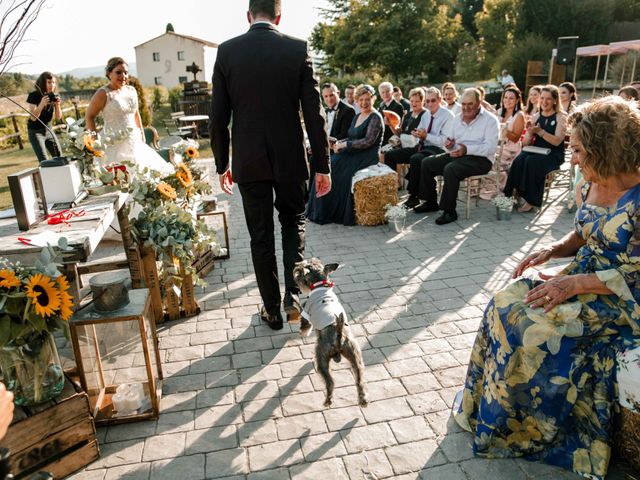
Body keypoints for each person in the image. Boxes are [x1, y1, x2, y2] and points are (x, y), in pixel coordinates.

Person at [455, 95, 640, 480]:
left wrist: (573, 283)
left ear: (607, 150)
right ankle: (493, 412)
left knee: (537, 329)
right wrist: (552, 251)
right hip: (582, 273)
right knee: (503, 302)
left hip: (622, 295)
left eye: (579, 151)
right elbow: (583, 231)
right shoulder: (592, 179)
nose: (573, 159)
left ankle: (535, 429)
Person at [210, 0, 331, 330]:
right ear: (279, 16)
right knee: (293, 224)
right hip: (290, 157)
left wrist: (222, 164)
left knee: (260, 237)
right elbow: (314, 114)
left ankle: (271, 310)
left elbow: (218, 118)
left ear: (249, 16)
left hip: (248, 160)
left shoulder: (227, 52)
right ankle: (293, 299)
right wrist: (323, 165)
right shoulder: (298, 49)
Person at [414, 88, 499, 224]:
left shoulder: (490, 120)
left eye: (470, 104)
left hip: (481, 160)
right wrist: (449, 145)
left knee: (451, 168)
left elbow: (490, 148)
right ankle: (430, 202)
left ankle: (449, 211)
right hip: (460, 155)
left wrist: (467, 150)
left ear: (479, 103)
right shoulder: (457, 119)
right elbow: (450, 142)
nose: (466, 108)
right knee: (427, 163)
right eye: (463, 104)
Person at [306, 84, 382, 226]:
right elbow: (350, 137)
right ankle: (318, 210)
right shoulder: (358, 115)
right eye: (361, 100)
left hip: (367, 155)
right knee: (329, 165)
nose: (364, 103)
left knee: (339, 170)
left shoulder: (375, 117)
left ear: (374, 99)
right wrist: (338, 143)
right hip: (353, 152)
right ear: (357, 100)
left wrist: (345, 145)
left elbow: (368, 141)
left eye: (367, 99)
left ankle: (333, 212)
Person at [85, 57, 173, 175]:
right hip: (114, 145)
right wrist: (95, 141)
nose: (123, 76)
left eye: (126, 72)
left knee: (148, 174)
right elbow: (89, 116)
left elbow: (136, 114)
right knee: (122, 177)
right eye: (118, 72)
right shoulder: (103, 93)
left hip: (134, 141)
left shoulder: (131, 90)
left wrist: (142, 135)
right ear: (109, 73)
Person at [504, 85, 566, 212]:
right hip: (536, 151)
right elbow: (525, 144)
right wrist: (530, 132)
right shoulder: (536, 116)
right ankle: (511, 196)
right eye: (542, 98)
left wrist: (541, 132)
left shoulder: (560, 116)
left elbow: (557, 141)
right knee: (519, 160)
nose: (544, 102)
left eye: (548, 99)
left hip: (553, 154)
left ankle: (531, 200)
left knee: (530, 162)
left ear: (555, 100)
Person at [404, 87, 455, 209]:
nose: (430, 104)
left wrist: (426, 135)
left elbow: (444, 141)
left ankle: (419, 197)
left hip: (440, 149)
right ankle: (392, 194)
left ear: (440, 100)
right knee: (391, 154)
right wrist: (417, 135)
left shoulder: (448, 116)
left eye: (433, 100)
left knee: (416, 158)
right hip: (423, 146)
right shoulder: (425, 115)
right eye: (427, 101)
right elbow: (420, 133)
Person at [479, 86, 525, 199]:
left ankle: (499, 188)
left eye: (511, 98)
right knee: (481, 155)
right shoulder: (499, 112)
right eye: (505, 97)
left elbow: (516, 138)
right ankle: (481, 187)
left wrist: (504, 130)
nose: (507, 101)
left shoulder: (519, 115)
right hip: (497, 144)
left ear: (517, 100)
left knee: (492, 158)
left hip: (511, 148)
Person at [380, 87, 426, 173]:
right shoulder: (408, 115)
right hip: (404, 145)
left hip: (418, 148)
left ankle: (396, 183)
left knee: (390, 155)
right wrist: (391, 125)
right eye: (412, 101)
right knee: (384, 153)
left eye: (417, 101)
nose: (413, 104)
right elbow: (399, 133)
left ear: (423, 101)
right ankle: (393, 183)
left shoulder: (425, 115)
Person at [26, 72, 62, 162]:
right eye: (49, 82)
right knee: (44, 161)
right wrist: (41, 104)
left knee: (59, 157)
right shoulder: (34, 96)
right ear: (43, 83)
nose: (52, 85)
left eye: (53, 82)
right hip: (35, 132)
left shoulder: (54, 96)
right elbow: (33, 118)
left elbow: (58, 118)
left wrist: (57, 105)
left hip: (48, 129)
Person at [377, 81, 405, 146]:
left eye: (387, 91)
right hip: (381, 136)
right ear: (380, 95)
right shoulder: (381, 105)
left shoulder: (398, 106)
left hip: (392, 138)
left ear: (392, 92)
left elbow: (399, 127)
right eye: (383, 92)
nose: (385, 94)